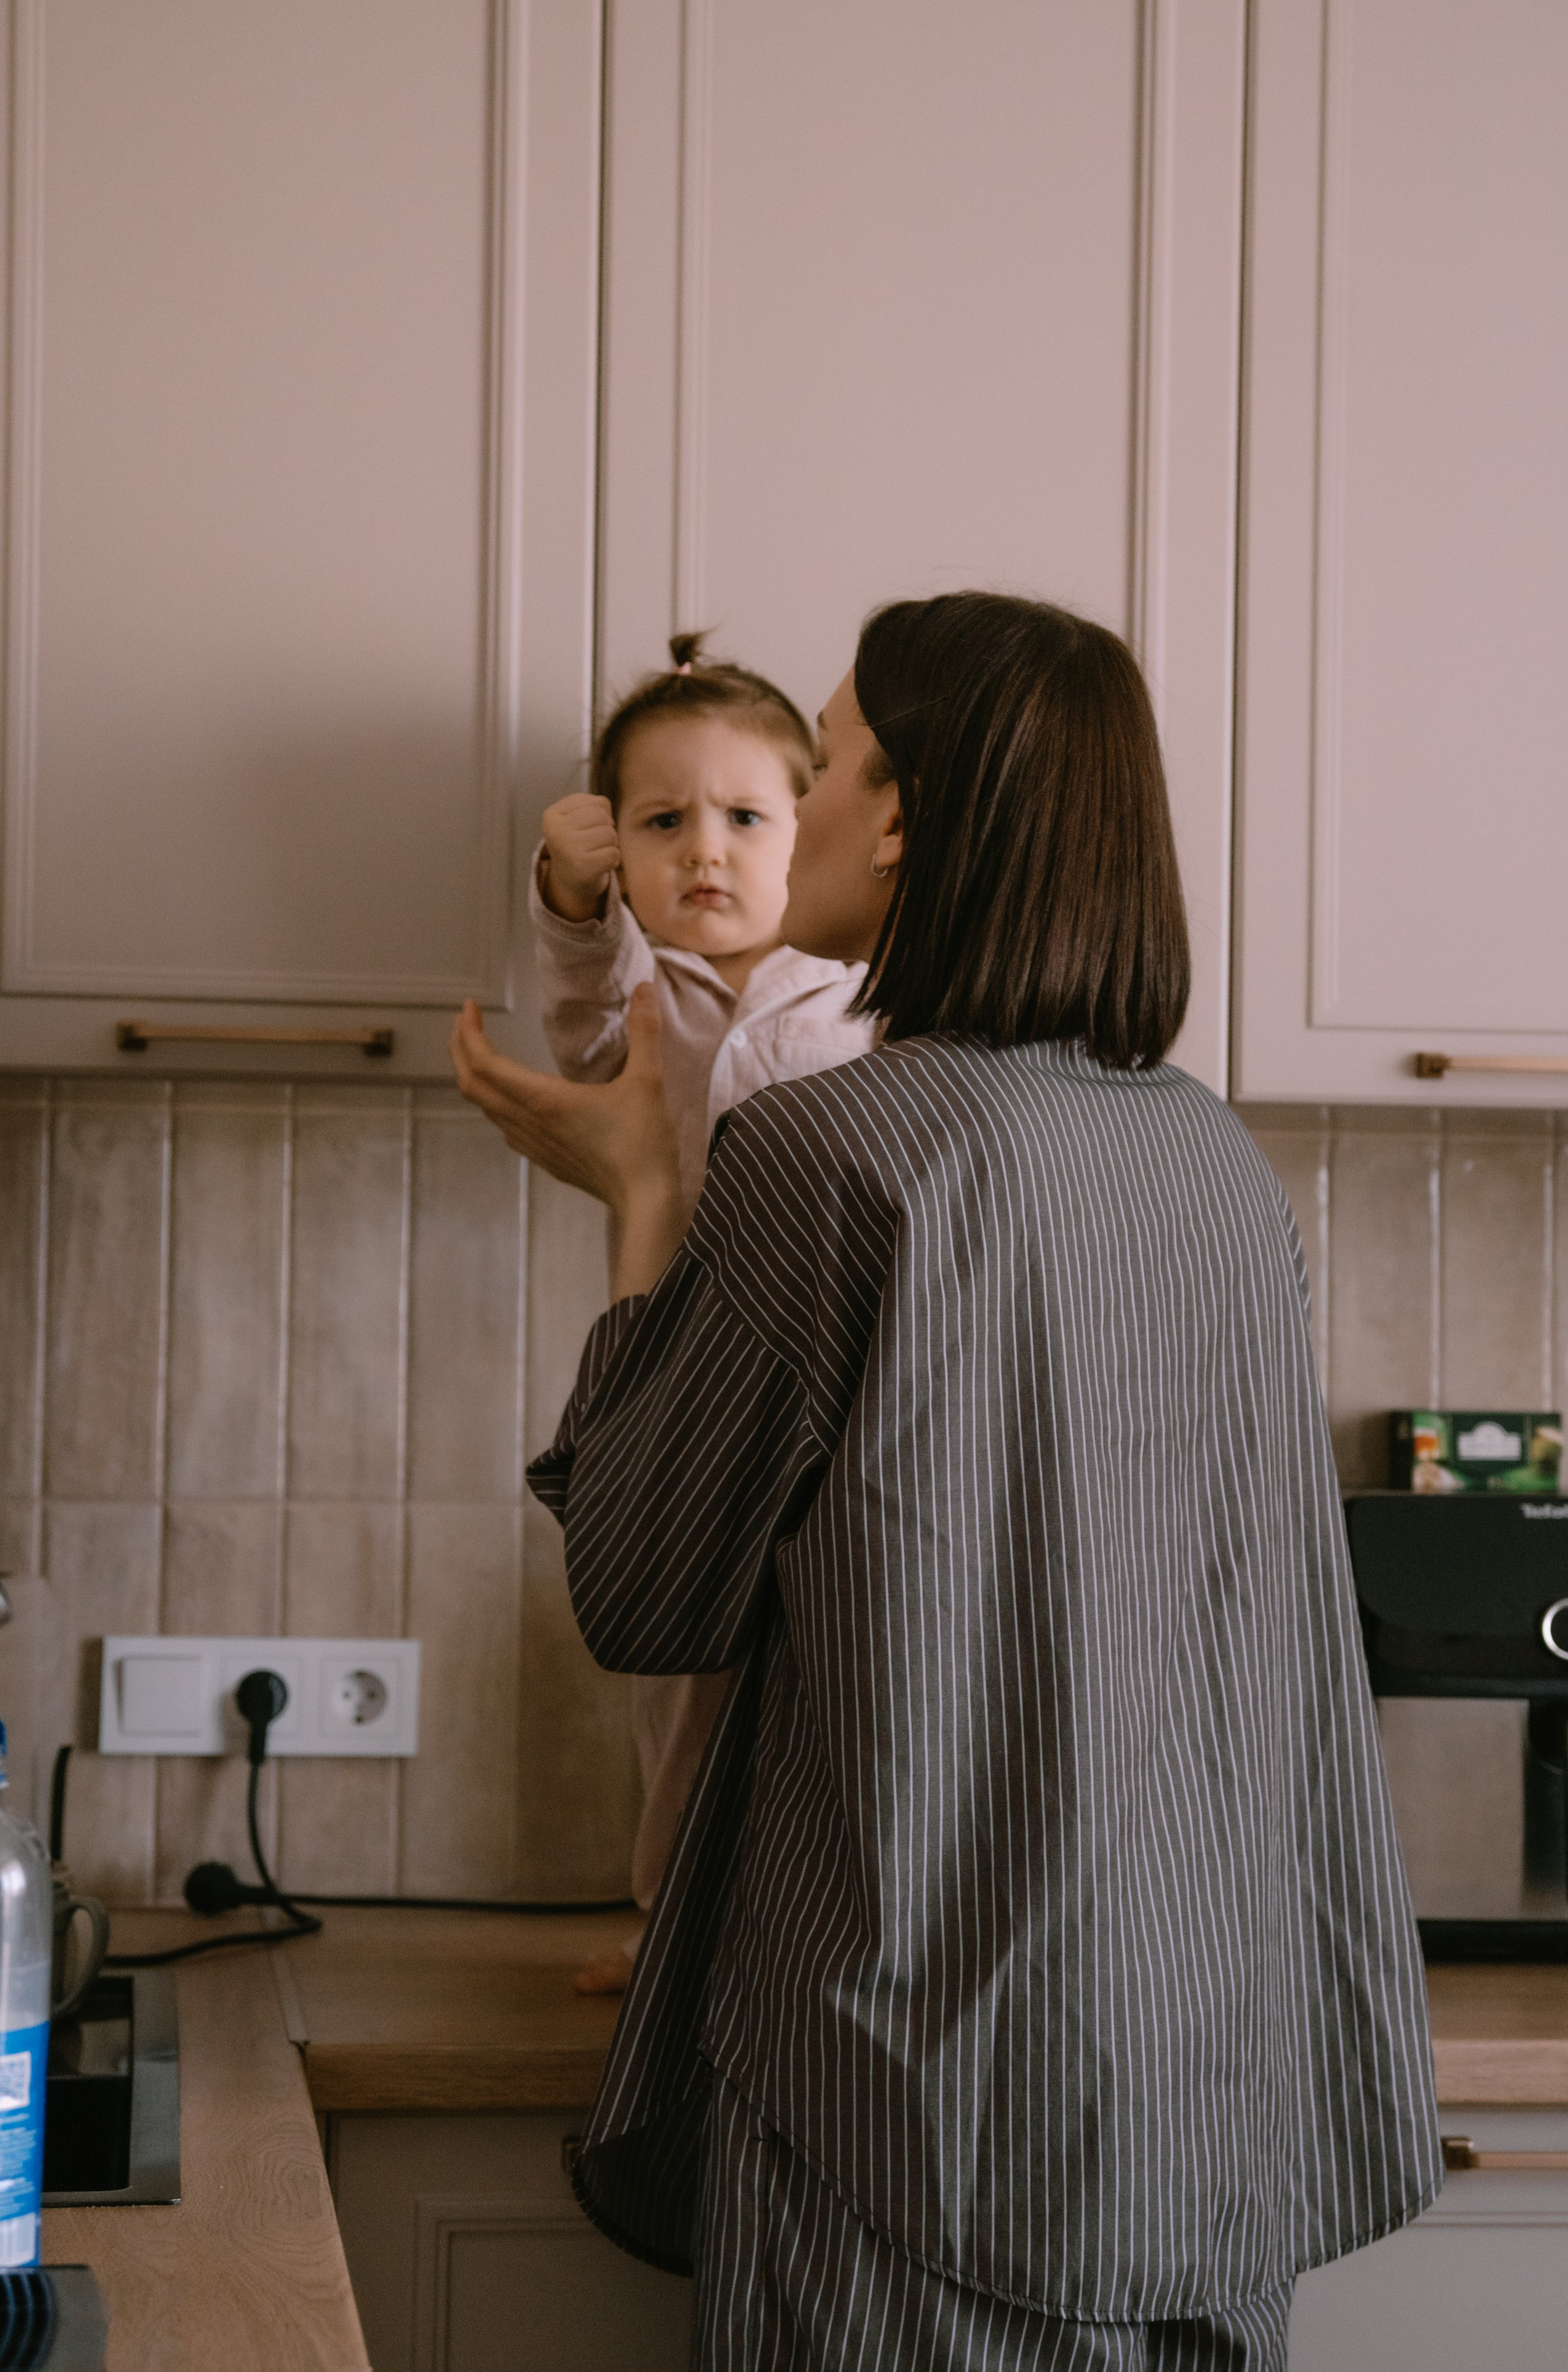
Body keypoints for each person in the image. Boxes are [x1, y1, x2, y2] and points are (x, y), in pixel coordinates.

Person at [453, 592, 1442, 2370]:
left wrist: (646, 1194)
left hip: (916, 2107)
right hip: (1205, 2096)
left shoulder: (828, 1150)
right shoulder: (1213, 1160)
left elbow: (642, 1585)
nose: (801, 808)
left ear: (903, 820)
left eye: (828, 765)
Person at [527, 633, 876, 1992]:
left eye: (745, 818)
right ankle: (671, 1917)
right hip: (685, 1384)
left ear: (815, 825)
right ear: (619, 849)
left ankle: (800, 1930)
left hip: (830, 1390)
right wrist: (570, 904)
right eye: (662, 824)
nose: (705, 854)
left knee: (820, 1672)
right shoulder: (643, 993)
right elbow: (579, 1039)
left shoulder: (862, 993)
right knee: (680, 1681)